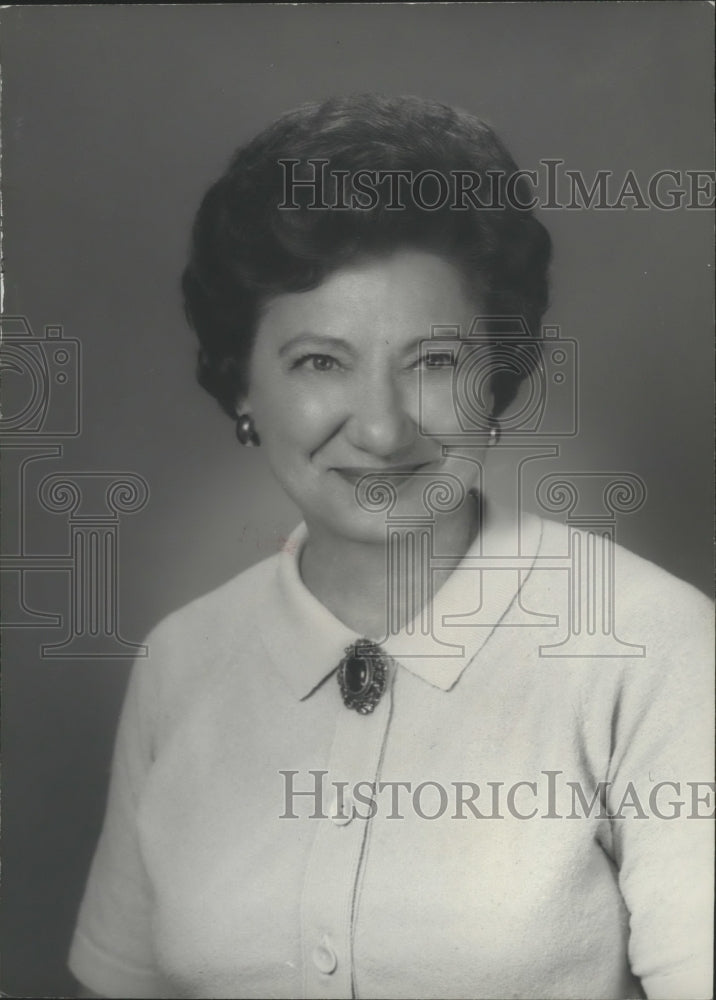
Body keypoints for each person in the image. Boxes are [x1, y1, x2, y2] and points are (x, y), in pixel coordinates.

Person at [68, 94, 713, 1000]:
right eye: (319, 362)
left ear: (501, 371)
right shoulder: (180, 662)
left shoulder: (657, 650)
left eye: (436, 361)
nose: (379, 428)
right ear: (240, 383)